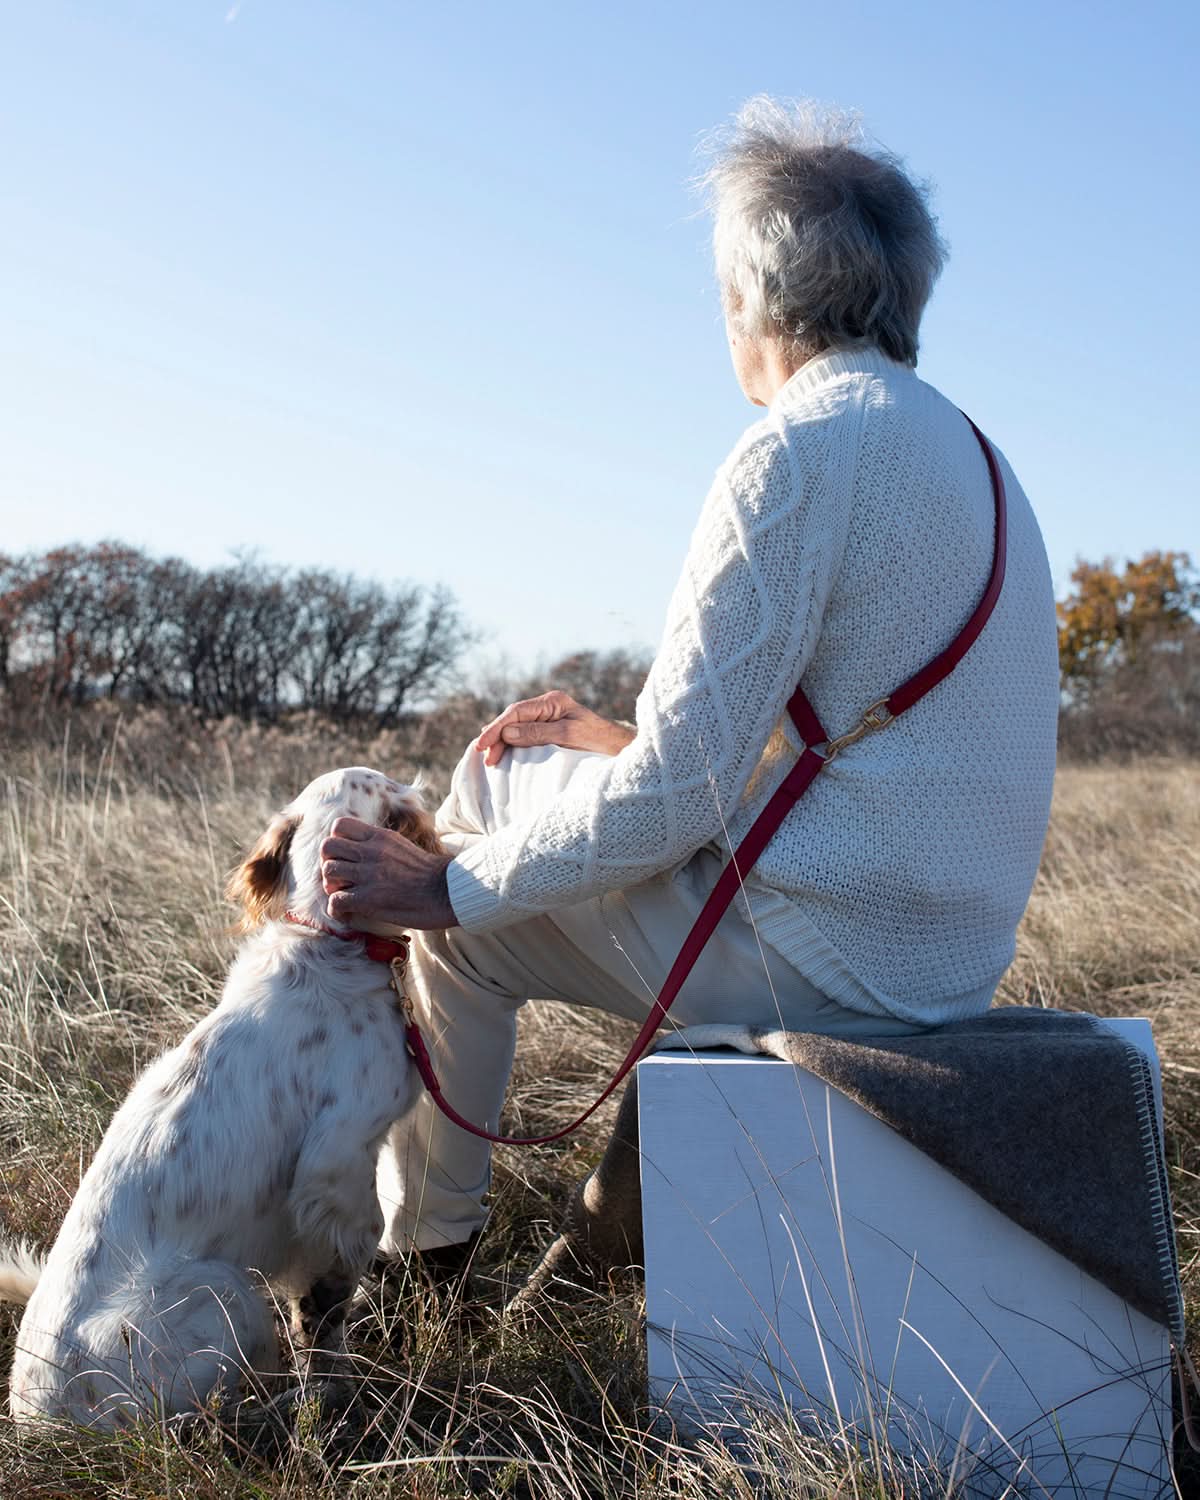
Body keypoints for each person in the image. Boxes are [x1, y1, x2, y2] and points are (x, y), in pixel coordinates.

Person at [319, 97, 1059, 1271]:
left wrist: (442, 892)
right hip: (946, 962)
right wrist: (627, 740)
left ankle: (427, 1260)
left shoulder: (798, 448)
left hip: (827, 967)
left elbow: (674, 804)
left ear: (748, 300)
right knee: (529, 797)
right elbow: (866, 750)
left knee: (460, 914)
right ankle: (605, 1232)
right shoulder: (982, 459)